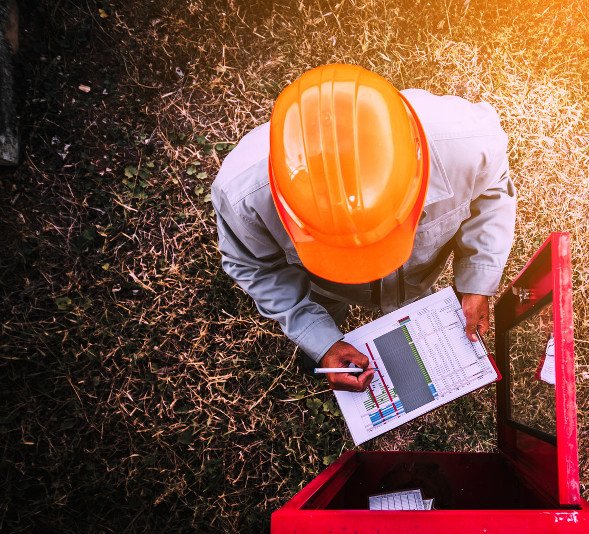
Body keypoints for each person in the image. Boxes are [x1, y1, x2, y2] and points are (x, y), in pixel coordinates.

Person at [211, 64, 516, 393]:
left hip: (417, 284)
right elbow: (253, 266)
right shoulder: (242, 196)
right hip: (324, 290)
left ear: (418, 170)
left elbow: (493, 193)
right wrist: (321, 341)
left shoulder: (468, 142)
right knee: (326, 313)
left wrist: (477, 281)